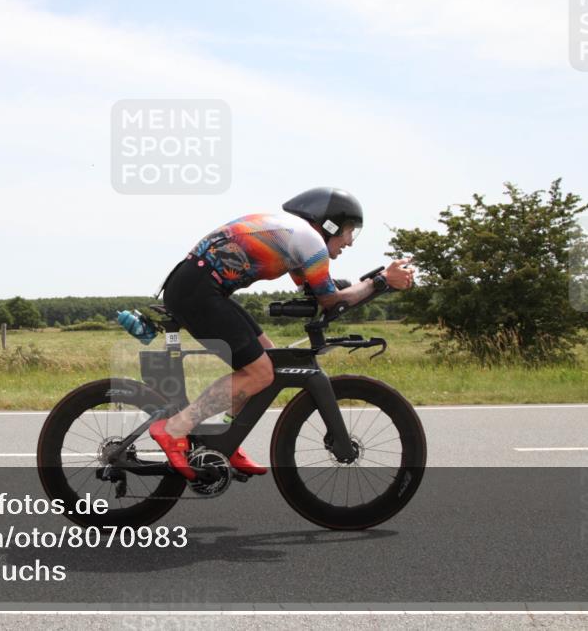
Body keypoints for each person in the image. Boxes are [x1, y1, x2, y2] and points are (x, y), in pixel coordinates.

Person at [151, 187, 415, 481]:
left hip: (202, 287)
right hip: (198, 291)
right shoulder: (310, 241)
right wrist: (380, 281)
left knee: (270, 360)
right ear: (330, 225)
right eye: (349, 231)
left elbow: (316, 291)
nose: (350, 242)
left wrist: (367, 286)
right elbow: (331, 300)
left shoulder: (297, 235)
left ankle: (224, 439)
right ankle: (175, 428)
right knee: (260, 372)